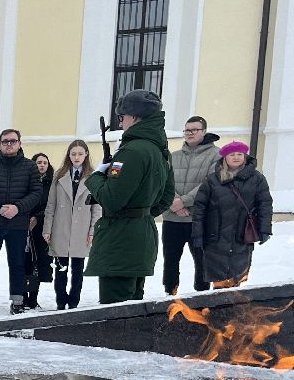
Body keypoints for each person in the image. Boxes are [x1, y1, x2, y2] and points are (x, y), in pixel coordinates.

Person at [84, 89, 174, 303]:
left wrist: (95, 177)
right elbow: (166, 197)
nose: (121, 122)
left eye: (122, 117)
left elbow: (111, 199)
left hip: (120, 241)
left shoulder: (131, 151)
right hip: (141, 237)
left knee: (115, 313)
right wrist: (141, 213)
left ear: (134, 116)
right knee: (132, 311)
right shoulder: (159, 150)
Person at [0, 128, 43, 316]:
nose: (9, 144)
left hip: (18, 224)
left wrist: (18, 208)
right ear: (0, 144)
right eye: (5, 141)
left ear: (20, 144)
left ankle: (17, 301)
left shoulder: (30, 167)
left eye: (12, 141)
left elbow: (36, 193)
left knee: (18, 263)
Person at [191, 140, 273, 289]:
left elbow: (265, 205)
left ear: (245, 156)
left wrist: (265, 229)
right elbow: (199, 209)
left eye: (240, 154)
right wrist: (197, 235)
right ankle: (219, 306)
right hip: (215, 237)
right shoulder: (212, 180)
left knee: (237, 278)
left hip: (242, 236)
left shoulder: (257, 179)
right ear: (225, 158)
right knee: (219, 281)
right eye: (232, 154)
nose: (236, 157)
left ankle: (235, 306)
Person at [43, 139, 101, 310]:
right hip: (61, 227)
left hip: (81, 230)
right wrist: (47, 229)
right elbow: (51, 205)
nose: (77, 157)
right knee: (60, 269)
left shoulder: (93, 178)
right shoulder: (59, 176)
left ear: (86, 155)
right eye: (73, 154)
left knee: (78, 270)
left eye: (80, 154)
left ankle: (74, 301)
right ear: (69, 155)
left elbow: (96, 209)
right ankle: (61, 301)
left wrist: (92, 231)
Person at [165, 115, 219, 295]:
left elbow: (210, 183)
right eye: (187, 130)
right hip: (173, 218)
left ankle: (201, 299)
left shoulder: (216, 156)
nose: (189, 133)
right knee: (170, 261)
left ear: (204, 131)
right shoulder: (173, 157)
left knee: (202, 261)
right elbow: (163, 183)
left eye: (194, 130)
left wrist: (184, 201)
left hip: (200, 219)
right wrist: (175, 203)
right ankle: (170, 297)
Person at [24, 152, 54, 309]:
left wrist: (38, 217)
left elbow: (51, 205)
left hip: (42, 228)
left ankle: (33, 299)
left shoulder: (52, 184)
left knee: (39, 264)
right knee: (24, 263)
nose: (42, 165)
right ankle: (22, 297)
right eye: (39, 162)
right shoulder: (26, 182)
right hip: (25, 226)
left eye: (45, 163)